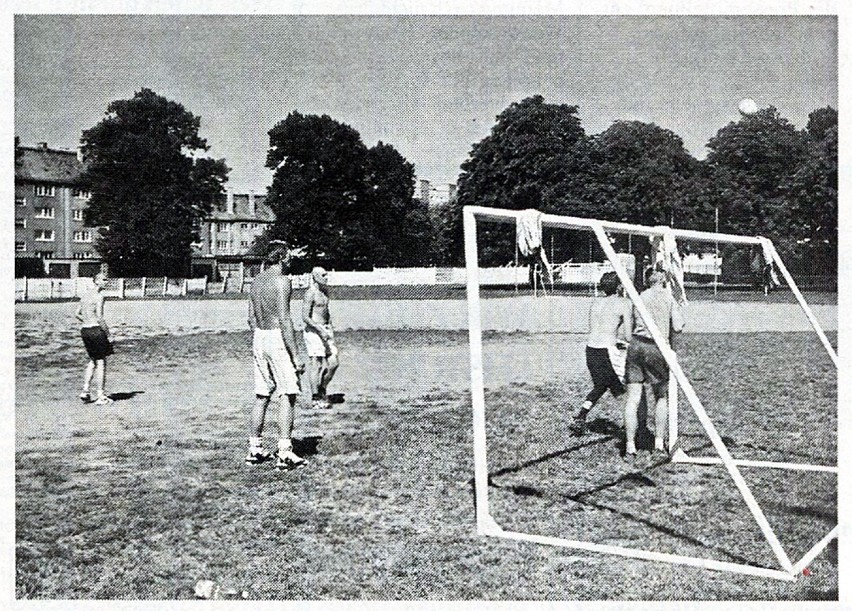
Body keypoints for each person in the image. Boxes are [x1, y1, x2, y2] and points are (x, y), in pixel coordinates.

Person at [246, 244, 307, 471]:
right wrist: (296, 355)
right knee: (288, 393)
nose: (291, 260)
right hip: (275, 337)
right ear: (281, 258)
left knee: (262, 394)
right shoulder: (282, 281)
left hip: (259, 337)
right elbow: (284, 319)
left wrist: (262, 343)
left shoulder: (256, 281)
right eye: (289, 256)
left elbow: (251, 319)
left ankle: (255, 449)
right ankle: (285, 453)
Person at [623, 270, 685, 460]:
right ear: (665, 280)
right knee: (661, 396)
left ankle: (630, 446)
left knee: (633, 398)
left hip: (636, 345)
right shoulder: (668, 298)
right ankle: (658, 442)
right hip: (656, 347)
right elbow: (678, 326)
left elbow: (629, 329)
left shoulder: (639, 296)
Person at [570, 271, 631, 436]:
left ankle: (581, 416)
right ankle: (631, 429)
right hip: (607, 352)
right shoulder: (624, 303)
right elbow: (629, 335)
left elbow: (598, 328)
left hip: (591, 349)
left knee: (601, 386)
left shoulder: (596, 302)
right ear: (619, 286)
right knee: (626, 390)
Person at [302, 266, 339, 409]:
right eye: (323, 275)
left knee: (333, 363)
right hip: (313, 331)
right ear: (315, 277)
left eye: (326, 274)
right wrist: (319, 329)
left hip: (326, 330)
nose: (326, 277)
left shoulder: (325, 292)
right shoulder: (310, 294)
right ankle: (315, 398)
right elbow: (305, 317)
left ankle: (322, 388)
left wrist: (329, 329)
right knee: (316, 364)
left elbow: (326, 313)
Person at [76, 272, 113, 405]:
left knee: (93, 360)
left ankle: (85, 391)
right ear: (96, 281)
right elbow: (100, 317)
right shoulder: (100, 296)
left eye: (106, 280)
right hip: (96, 331)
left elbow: (77, 314)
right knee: (101, 362)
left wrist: (87, 320)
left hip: (85, 331)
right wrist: (108, 335)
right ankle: (100, 396)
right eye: (103, 280)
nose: (106, 282)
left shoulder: (84, 295)